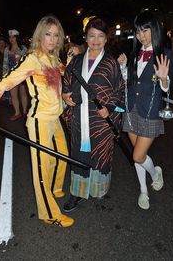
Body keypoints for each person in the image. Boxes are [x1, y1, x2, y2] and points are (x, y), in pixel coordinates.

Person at [0, 15, 74, 227]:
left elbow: (63, 84)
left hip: (55, 118)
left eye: (56, 35)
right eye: (48, 34)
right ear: (40, 35)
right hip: (39, 121)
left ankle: (54, 189)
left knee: (63, 156)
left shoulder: (54, 59)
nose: (52, 39)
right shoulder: (32, 59)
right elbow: (4, 83)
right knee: (42, 166)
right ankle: (49, 212)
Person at [62, 17, 125, 212]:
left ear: (106, 39)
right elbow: (66, 82)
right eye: (91, 36)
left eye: (100, 36)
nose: (96, 40)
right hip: (79, 117)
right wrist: (65, 95)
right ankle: (77, 192)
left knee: (100, 154)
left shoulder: (111, 63)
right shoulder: (76, 61)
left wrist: (111, 108)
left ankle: (98, 188)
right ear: (86, 38)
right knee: (78, 154)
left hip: (100, 120)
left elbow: (120, 91)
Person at [117, 10, 173, 210]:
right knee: (137, 155)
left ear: (155, 29)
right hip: (131, 110)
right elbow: (129, 83)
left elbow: (168, 89)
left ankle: (155, 173)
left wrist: (163, 78)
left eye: (145, 30)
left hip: (150, 112)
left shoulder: (165, 54)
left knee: (137, 156)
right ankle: (143, 190)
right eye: (138, 32)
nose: (142, 36)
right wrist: (124, 68)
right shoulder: (134, 54)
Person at [4, 29, 28, 120]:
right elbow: (5, 64)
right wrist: (5, 75)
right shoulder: (7, 49)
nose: (11, 39)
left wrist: (18, 57)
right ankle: (17, 112)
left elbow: (26, 62)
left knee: (23, 93)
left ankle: (25, 111)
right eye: (10, 37)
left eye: (13, 37)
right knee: (13, 94)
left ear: (17, 38)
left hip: (22, 74)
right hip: (11, 74)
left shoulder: (23, 48)